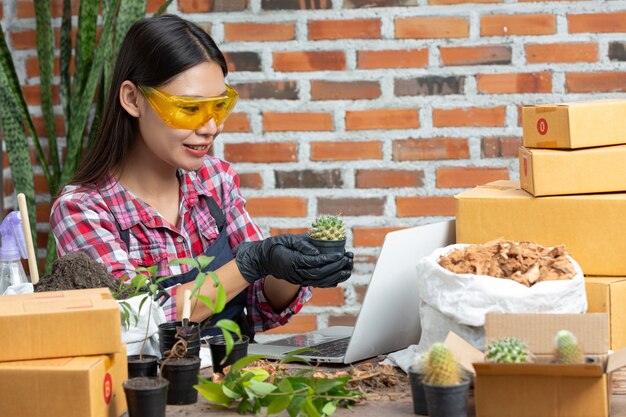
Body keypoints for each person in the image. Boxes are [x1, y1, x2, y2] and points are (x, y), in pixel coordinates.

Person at [49, 15, 353, 339]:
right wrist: (251, 263)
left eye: (218, 107)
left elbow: (262, 304)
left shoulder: (215, 180)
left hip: (234, 381)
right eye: (190, 109)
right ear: (133, 99)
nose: (210, 127)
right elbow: (134, 321)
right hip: (155, 388)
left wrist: (290, 267)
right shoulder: (82, 210)